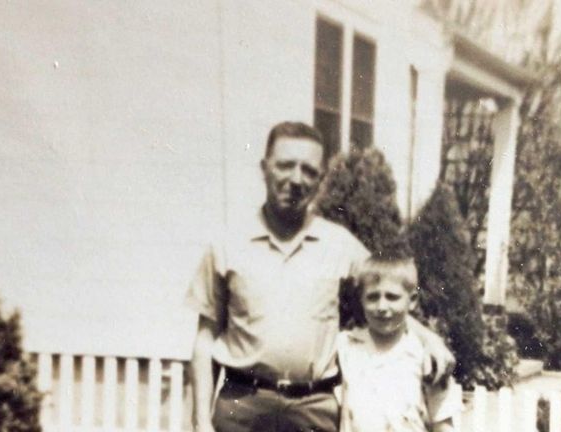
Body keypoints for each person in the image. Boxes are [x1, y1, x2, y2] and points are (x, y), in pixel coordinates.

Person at [186, 121, 454, 431]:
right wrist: (200, 422)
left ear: (320, 179)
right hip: (243, 405)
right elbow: (205, 339)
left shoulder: (340, 245)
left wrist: (427, 337)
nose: (296, 179)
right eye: (285, 166)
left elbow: (388, 291)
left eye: (309, 171)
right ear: (265, 168)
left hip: (314, 408)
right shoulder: (227, 246)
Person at [337, 255, 459, 432]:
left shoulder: (427, 358)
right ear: (361, 300)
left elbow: (443, 425)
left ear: (413, 301)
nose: (382, 306)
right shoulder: (346, 347)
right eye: (372, 297)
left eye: (392, 297)